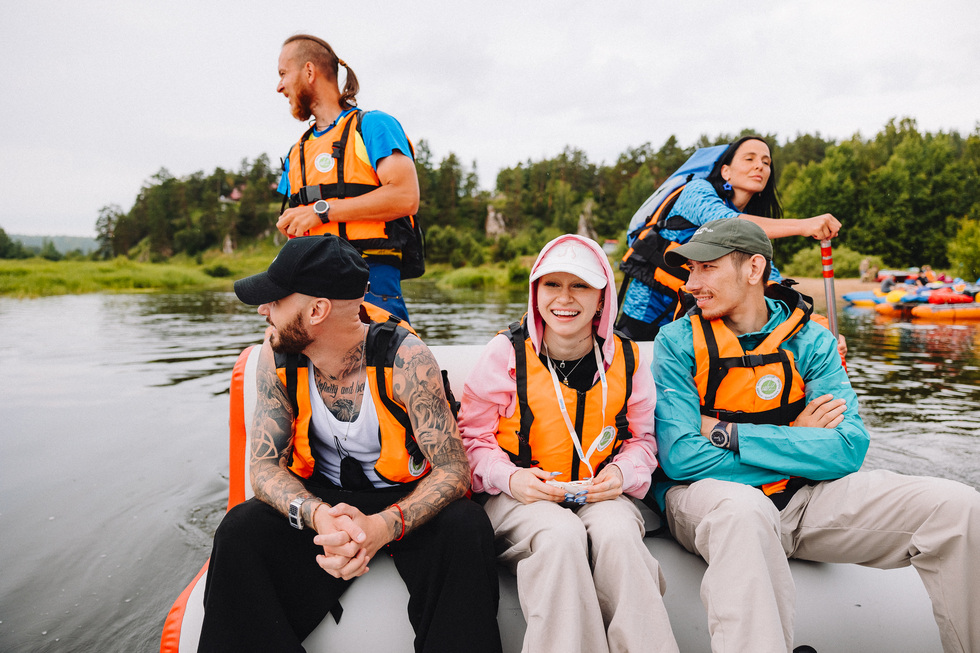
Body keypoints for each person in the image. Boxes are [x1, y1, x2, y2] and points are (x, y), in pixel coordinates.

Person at [650, 218, 980, 653]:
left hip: (805, 499)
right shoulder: (675, 342)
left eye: (706, 268)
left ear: (753, 269)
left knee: (959, 507)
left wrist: (729, 434)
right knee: (744, 512)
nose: (692, 282)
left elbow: (847, 448)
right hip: (711, 499)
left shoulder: (811, 340)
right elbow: (681, 458)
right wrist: (798, 439)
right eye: (689, 269)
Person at [197, 235, 502, 653]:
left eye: (275, 300)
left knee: (466, 526)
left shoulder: (407, 359)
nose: (263, 310)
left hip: (404, 501)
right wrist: (317, 515)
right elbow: (264, 467)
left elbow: (453, 469)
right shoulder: (275, 356)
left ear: (317, 310)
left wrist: (383, 525)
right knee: (240, 531)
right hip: (323, 501)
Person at [459, 235, 679, 653]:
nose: (564, 298)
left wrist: (621, 473)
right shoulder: (504, 354)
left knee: (618, 535)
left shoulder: (628, 360)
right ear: (535, 292)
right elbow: (472, 441)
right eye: (551, 284)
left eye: (580, 285)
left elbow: (642, 442)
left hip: (599, 493)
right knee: (559, 534)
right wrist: (511, 478)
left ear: (602, 298)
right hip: (519, 497)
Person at [617, 135, 841, 342]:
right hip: (645, 316)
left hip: (691, 323)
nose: (759, 166)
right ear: (726, 172)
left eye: (766, 162)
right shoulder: (696, 190)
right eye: (749, 158)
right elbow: (727, 224)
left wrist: (824, 331)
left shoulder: (754, 226)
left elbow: (771, 283)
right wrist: (803, 225)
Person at [274, 34, 420, 322]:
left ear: (309, 71)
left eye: (283, 73)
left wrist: (321, 212)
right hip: (310, 289)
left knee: (380, 363)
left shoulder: (374, 125)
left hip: (370, 281)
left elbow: (406, 197)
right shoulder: (296, 153)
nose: (279, 86)